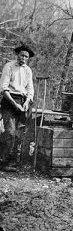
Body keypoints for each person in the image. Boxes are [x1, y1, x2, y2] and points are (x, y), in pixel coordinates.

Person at [0, 44, 35, 172]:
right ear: (17, 55)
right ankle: (3, 161)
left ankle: (15, 160)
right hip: (9, 101)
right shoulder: (9, 66)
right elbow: (3, 89)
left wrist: (27, 102)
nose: (23, 58)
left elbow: (30, 89)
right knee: (10, 132)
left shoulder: (28, 70)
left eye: (26, 56)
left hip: (23, 101)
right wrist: (15, 104)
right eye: (22, 55)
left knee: (21, 133)